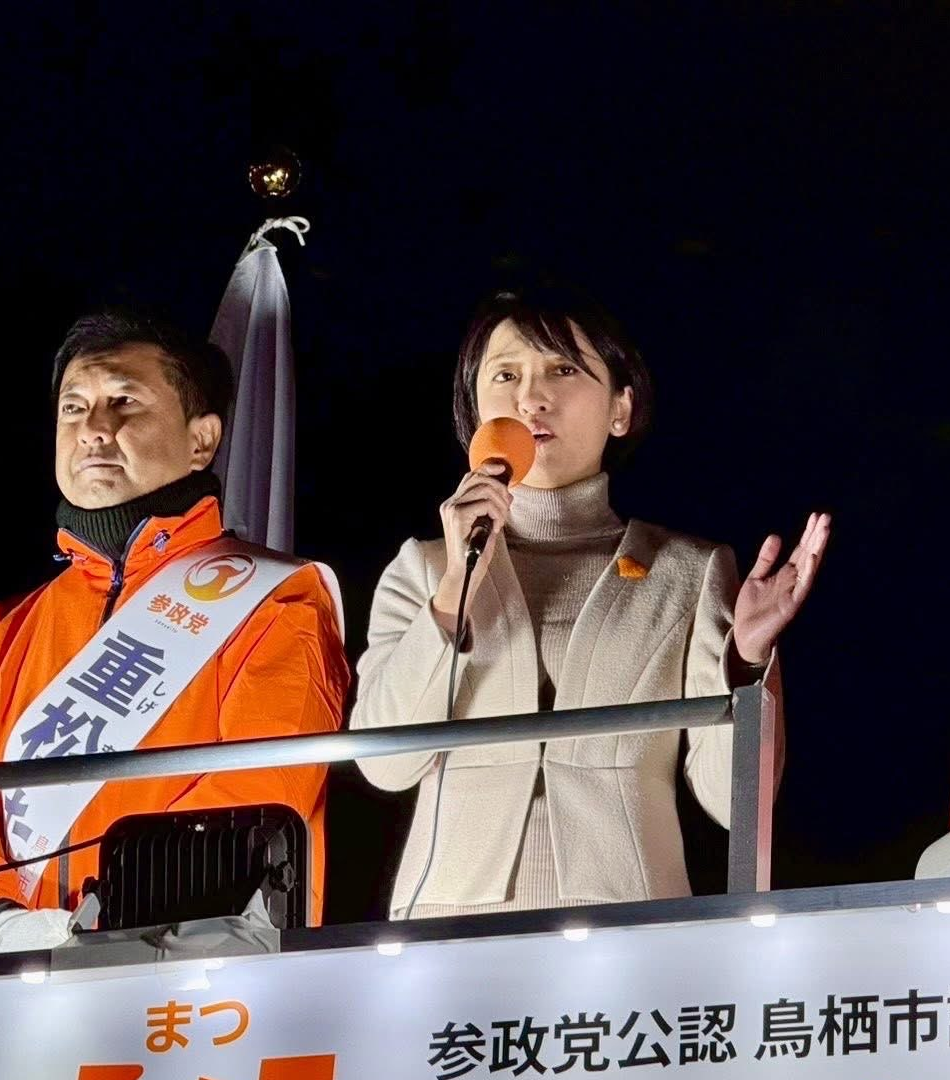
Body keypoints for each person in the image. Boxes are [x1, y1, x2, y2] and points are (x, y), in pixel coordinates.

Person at [352, 283, 829, 918]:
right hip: (445, 925)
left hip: (631, 921)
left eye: (563, 369)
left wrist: (746, 659)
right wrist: (453, 590)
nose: (531, 397)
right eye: (506, 376)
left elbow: (736, 800)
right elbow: (385, 767)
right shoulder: (424, 567)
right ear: (474, 410)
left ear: (620, 410)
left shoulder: (687, 571)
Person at [0, 308, 349, 956]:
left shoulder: (276, 597)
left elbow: (263, 788)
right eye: (73, 407)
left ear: (201, 440)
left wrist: (124, 924)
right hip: (16, 976)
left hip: (204, 967)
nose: (93, 429)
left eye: (124, 401)